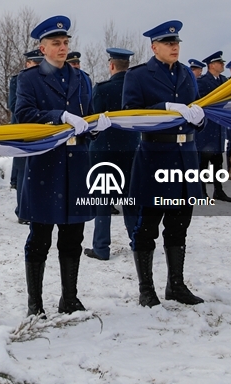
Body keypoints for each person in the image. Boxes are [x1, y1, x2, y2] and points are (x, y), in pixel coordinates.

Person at [15, 16, 110, 316]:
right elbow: (23, 114)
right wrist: (59, 116)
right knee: (40, 238)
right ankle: (35, 304)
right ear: (42, 48)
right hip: (46, 165)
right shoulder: (29, 80)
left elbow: (89, 115)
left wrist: (96, 125)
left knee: (73, 236)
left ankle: (69, 297)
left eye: (65, 43)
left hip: (77, 164)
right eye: (56, 43)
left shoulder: (82, 79)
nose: (62, 48)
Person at [122, 20, 207, 307]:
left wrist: (200, 118)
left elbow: (194, 109)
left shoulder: (185, 74)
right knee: (148, 226)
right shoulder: (138, 76)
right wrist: (164, 109)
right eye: (169, 43)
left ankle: (176, 285)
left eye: (177, 43)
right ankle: (146, 289)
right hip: (156, 157)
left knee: (179, 225)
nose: (175, 47)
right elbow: (129, 115)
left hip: (185, 158)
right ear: (154, 47)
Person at [84, 48, 139, 261]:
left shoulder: (103, 89)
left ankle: (101, 247)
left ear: (111, 65)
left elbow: (93, 118)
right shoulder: (136, 89)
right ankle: (137, 241)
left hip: (105, 151)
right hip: (131, 149)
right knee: (131, 200)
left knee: (103, 201)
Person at [9, 50, 43, 223]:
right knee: (23, 170)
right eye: (35, 63)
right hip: (22, 130)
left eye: (40, 63)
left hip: (41, 130)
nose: (38, 66)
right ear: (27, 63)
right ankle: (22, 211)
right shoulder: (18, 80)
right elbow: (14, 105)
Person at [196, 51, 231, 202]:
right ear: (211, 65)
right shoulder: (202, 82)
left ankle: (218, 190)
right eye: (220, 63)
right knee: (203, 164)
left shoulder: (224, 80)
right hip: (206, 129)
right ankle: (201, 191)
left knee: (218, 163)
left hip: (218, 129)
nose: (223, 65)